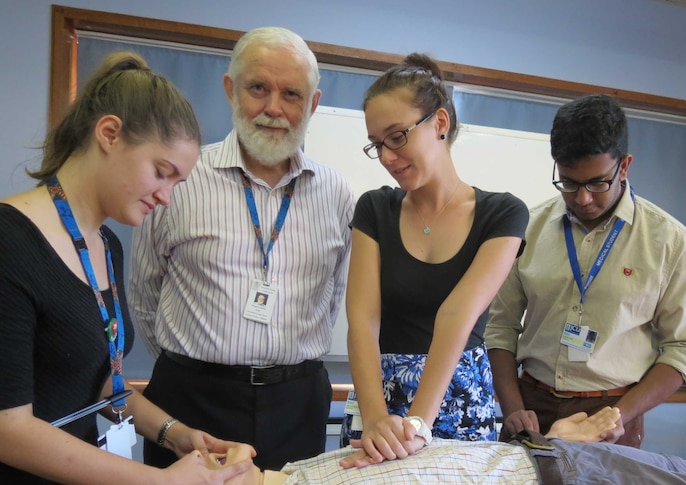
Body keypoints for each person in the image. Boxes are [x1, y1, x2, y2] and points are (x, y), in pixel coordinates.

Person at [0, 52, 252, 484]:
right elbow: (8, 428)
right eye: (161, 172)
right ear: (110, 134)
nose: (166, 197)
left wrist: (176, 434)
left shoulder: (106, 244)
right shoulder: (10, 242)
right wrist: (161, 481)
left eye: (177, 183)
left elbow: (97, 379)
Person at [130, 27, 354, 470]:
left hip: (298, 402)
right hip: (192, 397)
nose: (274, 108)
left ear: (312, 105)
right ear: (231, 90)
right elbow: (143, 293)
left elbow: (332, 297)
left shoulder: (337, 193)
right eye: (258, 88)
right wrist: (200, 369)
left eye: (291, 94)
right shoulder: (182, 178)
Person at [486, 93, 686, 447]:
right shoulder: (528, 228)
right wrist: (512, 407)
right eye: (570, 183)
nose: (583, 198)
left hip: (615, 411)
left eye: (597, 183)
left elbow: (685, 348)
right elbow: (500, 327)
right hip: (531, 407)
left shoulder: (669, 241)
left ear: (624, 166)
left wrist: (617, 416)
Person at [340, 53, 529, 462]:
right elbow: (362, 317)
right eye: (377, 144)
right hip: (379, 397)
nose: (387, 156)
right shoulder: (375, 209)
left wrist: (418, 425)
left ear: (439, 123)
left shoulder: (503, 214)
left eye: (397, 136)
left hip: (459, 401)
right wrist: (375, 418)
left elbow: (457, 315)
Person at [218, 411, 686, 485]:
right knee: (681, 479)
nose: (224, 455)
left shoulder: (298, 471)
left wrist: (546, 440)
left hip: (537, 457)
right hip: (554, 480)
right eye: (214, 469)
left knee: (676, 473)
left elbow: (435, 463)